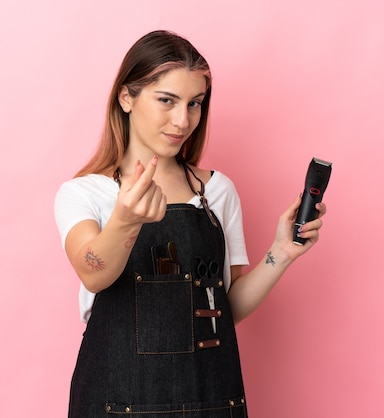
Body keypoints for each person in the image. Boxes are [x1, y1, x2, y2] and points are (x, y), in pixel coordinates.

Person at [54, 30, 326, 418]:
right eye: (166, 100)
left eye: (194, 104)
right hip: (116, 402)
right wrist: (126, 219)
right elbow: (92, 273)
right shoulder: (84, 193)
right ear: (126, 97)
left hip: (211, 398)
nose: (183, 121)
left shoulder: (217, 191)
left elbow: (224, 308)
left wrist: (280, 253)